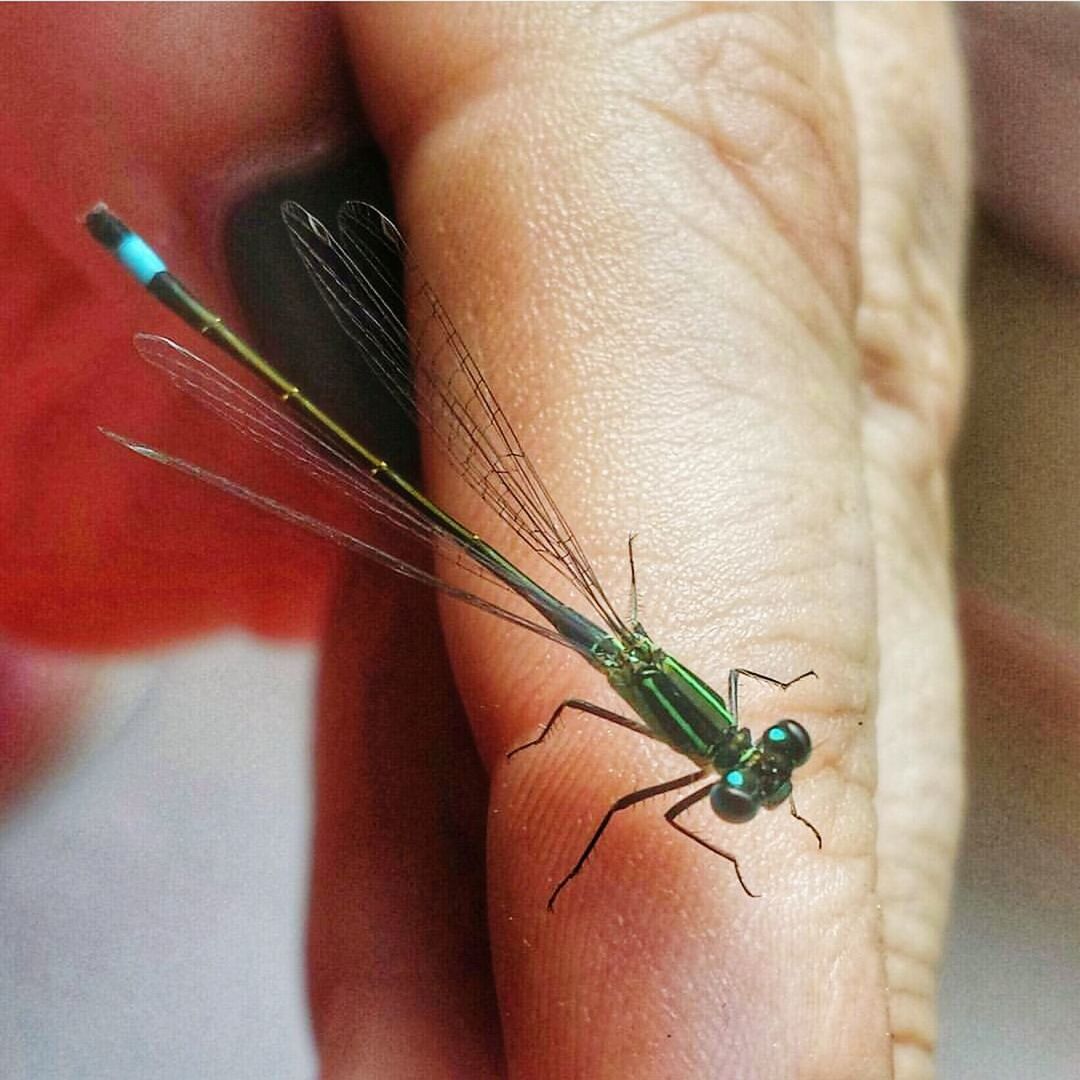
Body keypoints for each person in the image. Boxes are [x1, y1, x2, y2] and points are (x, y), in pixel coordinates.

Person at [1, 5, 1075, 1078]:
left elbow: (600, 728)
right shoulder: (704, 754)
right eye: (764, 761)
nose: (755, 768)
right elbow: (593, 754)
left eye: (755, 774)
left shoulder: (704, 733)